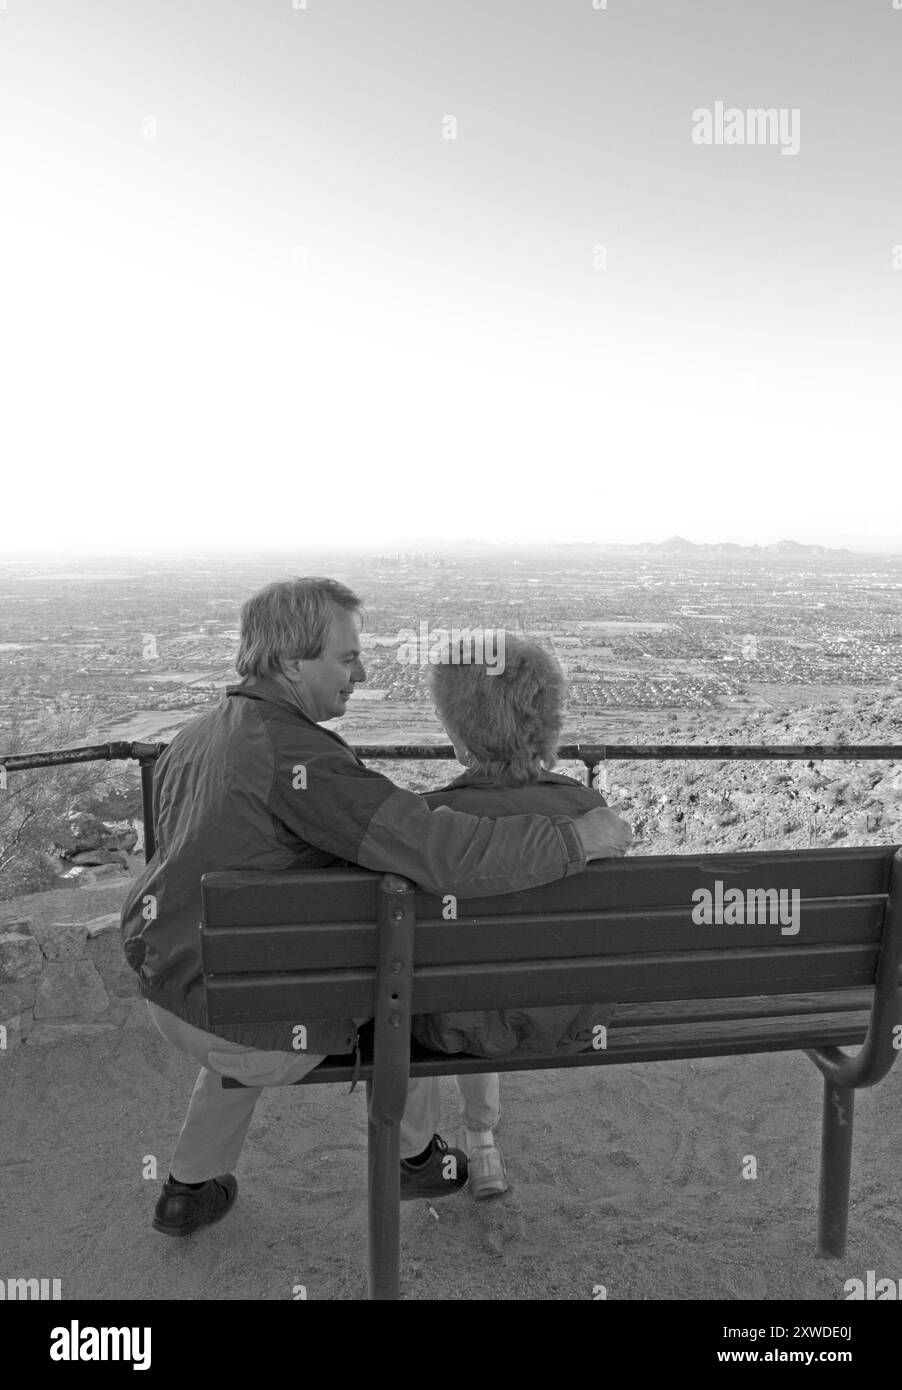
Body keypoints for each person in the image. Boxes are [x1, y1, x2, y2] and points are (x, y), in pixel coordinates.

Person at [120, 579, 633, 1234]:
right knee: (399, 991)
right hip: (251, 1022)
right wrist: (573, 837)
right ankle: (417, 1158)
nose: (361, 672)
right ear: (289, 662)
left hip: (179, 990)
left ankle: (187, 1187)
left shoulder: (197, 736)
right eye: (347, 657)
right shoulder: (297, 757)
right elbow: (436, 849)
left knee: (260, 988)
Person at [415, 632, 630, 1198]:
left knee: (443, 987)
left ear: (459, 732)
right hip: (574, 1019)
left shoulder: (431, 821)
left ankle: (430, 1150)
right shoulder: (590, 813)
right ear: (547, 720)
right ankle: (482, 1138)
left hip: (454, 1024)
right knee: (484, 976)